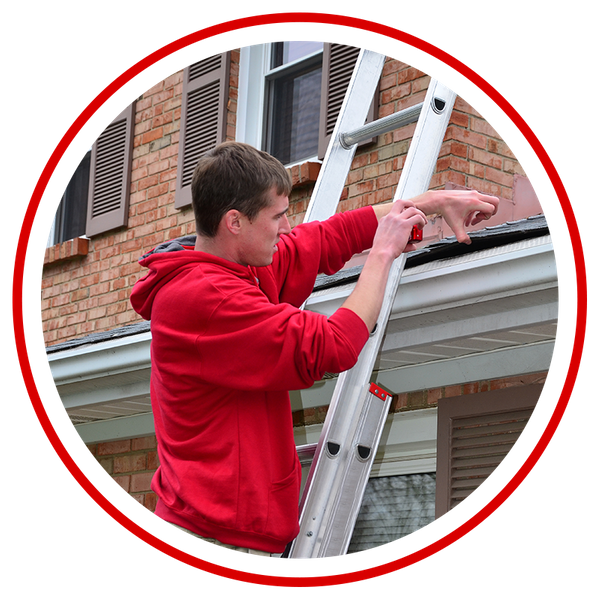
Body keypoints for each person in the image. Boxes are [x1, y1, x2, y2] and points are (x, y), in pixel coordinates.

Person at [130, 141, 499, 558]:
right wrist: (382, 254)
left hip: (228, 528)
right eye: (277, 215)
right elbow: (331, 345)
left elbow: (323, 239)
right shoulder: (206, 298)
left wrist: (430, 202)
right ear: (235, 222)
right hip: (212, 535)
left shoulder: (240, 267)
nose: (286, 227)